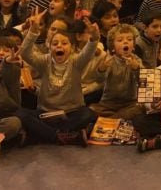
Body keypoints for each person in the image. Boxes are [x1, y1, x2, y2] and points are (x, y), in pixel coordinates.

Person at [15, 13, 101, 146]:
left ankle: (40, 135)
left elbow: (89, 50)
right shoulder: (44, 61)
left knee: (88, 114)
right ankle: (62, 136)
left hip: (72, 112)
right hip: (46, 113)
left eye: (64, 43)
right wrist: (33, 31)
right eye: (55, 43)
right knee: (21, 113)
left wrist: (94, 37)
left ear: (72, 48)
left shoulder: (77, 61)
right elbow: (25, 53)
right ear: (49, 47)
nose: (59, 46)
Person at [89, 24, 144, 119]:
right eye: (120, 40)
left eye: (129, 39)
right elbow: (99, 80)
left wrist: (136, 68)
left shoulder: (137, 60)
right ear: (113, 47)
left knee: (140, 109)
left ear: (133, 46)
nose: (125, 42)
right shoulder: (109, 60)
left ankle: (111, 119)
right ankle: (116, 118)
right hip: (108, 104)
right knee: (90, 110)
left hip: (129, 104)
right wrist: (102, 69)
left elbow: (143, 81)